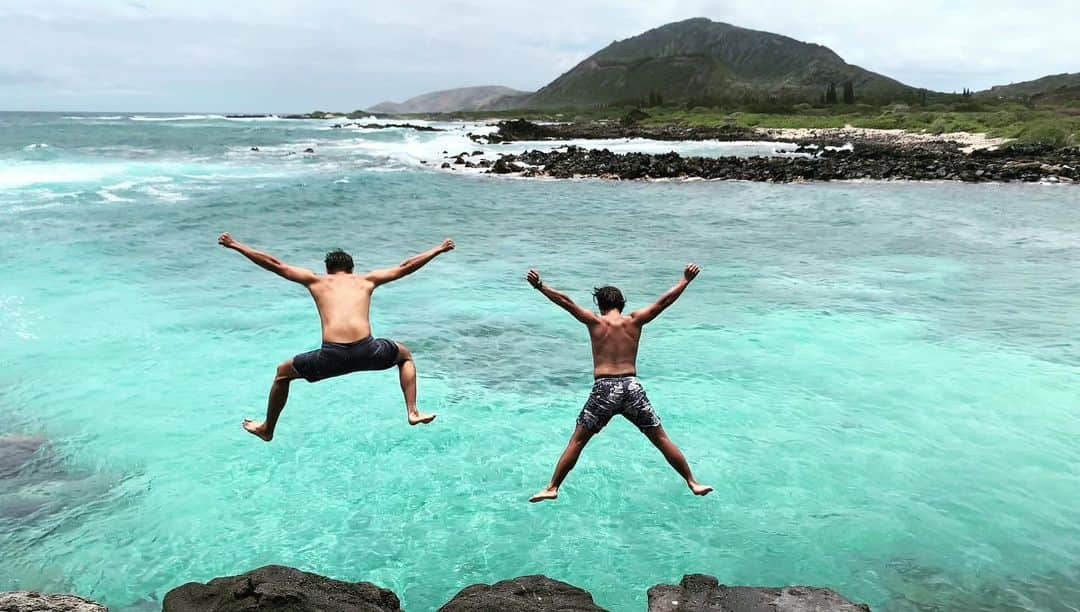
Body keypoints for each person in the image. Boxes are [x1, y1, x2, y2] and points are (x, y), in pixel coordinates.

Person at [218, 232, 454, 441]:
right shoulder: (366, 280)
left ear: (328, 270)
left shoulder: (316, 280)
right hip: (368, 351)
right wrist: (438, 249)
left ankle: (267, 428)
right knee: (404, 355)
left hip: (331, 357)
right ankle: (412, 411)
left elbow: (275, 264)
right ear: (352, 269)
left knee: (282, 373)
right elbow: (405, 266)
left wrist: (236, 245)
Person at [525, 264, 713, 502]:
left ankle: (552, 487)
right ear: (621, 304)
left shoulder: (595, 322)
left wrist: (540, 286)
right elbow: (662, 302)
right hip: (632, 388)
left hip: (604, 389)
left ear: (600, 305)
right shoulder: (635, 321)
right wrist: (685, 280)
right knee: (661, 439)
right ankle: (692, 482)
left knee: (578, 440)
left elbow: (566, 302)